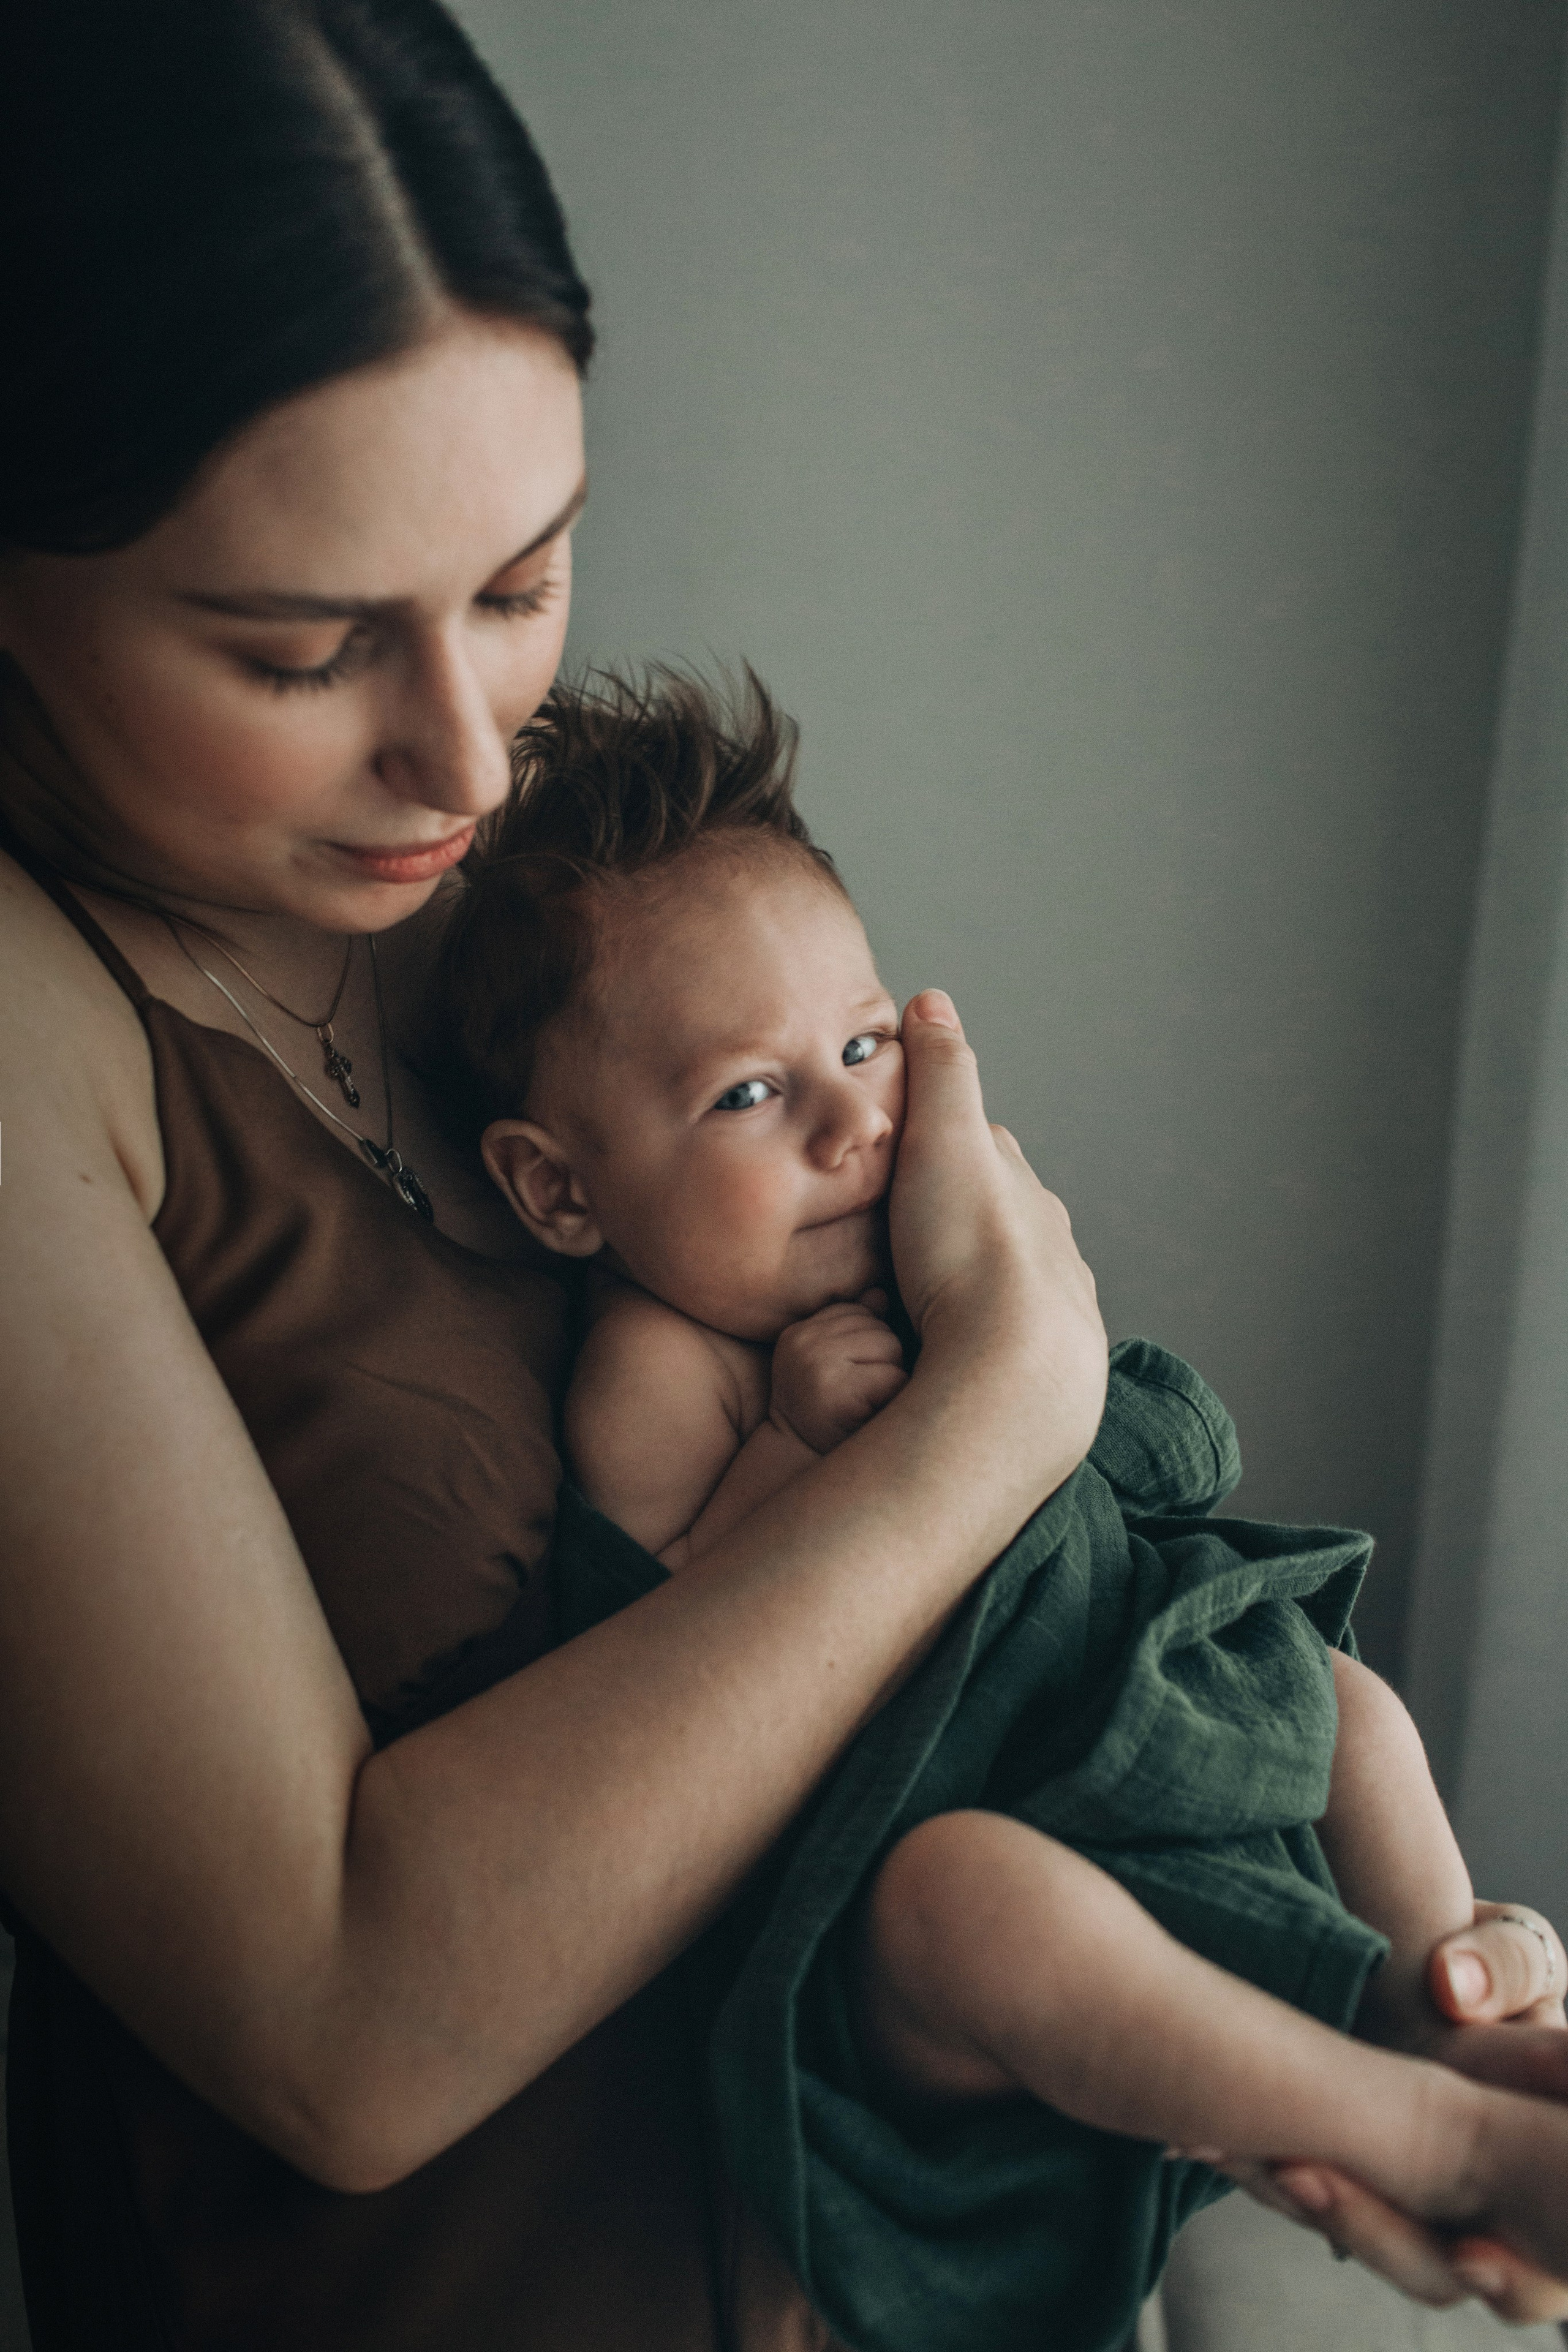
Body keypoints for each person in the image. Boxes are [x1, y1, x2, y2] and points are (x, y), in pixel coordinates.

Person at [0, 2, 1561, 2345]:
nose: (463, 752)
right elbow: (338, 2033)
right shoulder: (47, 1027)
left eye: (523, 583)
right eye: (306, 650)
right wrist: (986, 1421)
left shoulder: (523, 909)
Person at [431, 666, 1568, 2348]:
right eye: (749, 1094)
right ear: (558, 1185)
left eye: (866, 1043)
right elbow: (671, 1632)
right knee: (971, 1896)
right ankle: (1417, 2129)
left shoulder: (910, 1234)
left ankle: (1435, 1994)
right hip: (898, 1883)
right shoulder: (659, 1366)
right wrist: (794, 1453)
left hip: (1110, 1740)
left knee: (1347, 1705)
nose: (849, 1124)